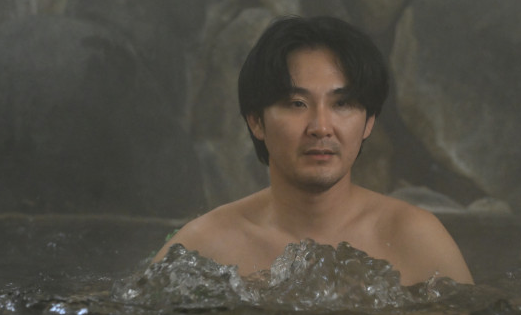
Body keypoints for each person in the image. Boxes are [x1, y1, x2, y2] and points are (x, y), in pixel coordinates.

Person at [153, 16, 473, 285]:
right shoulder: (202, 248)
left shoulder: (415, 239)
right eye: (296, 103)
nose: (320, 127)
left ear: (368, 123)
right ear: (256, 121)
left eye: (342, 104)